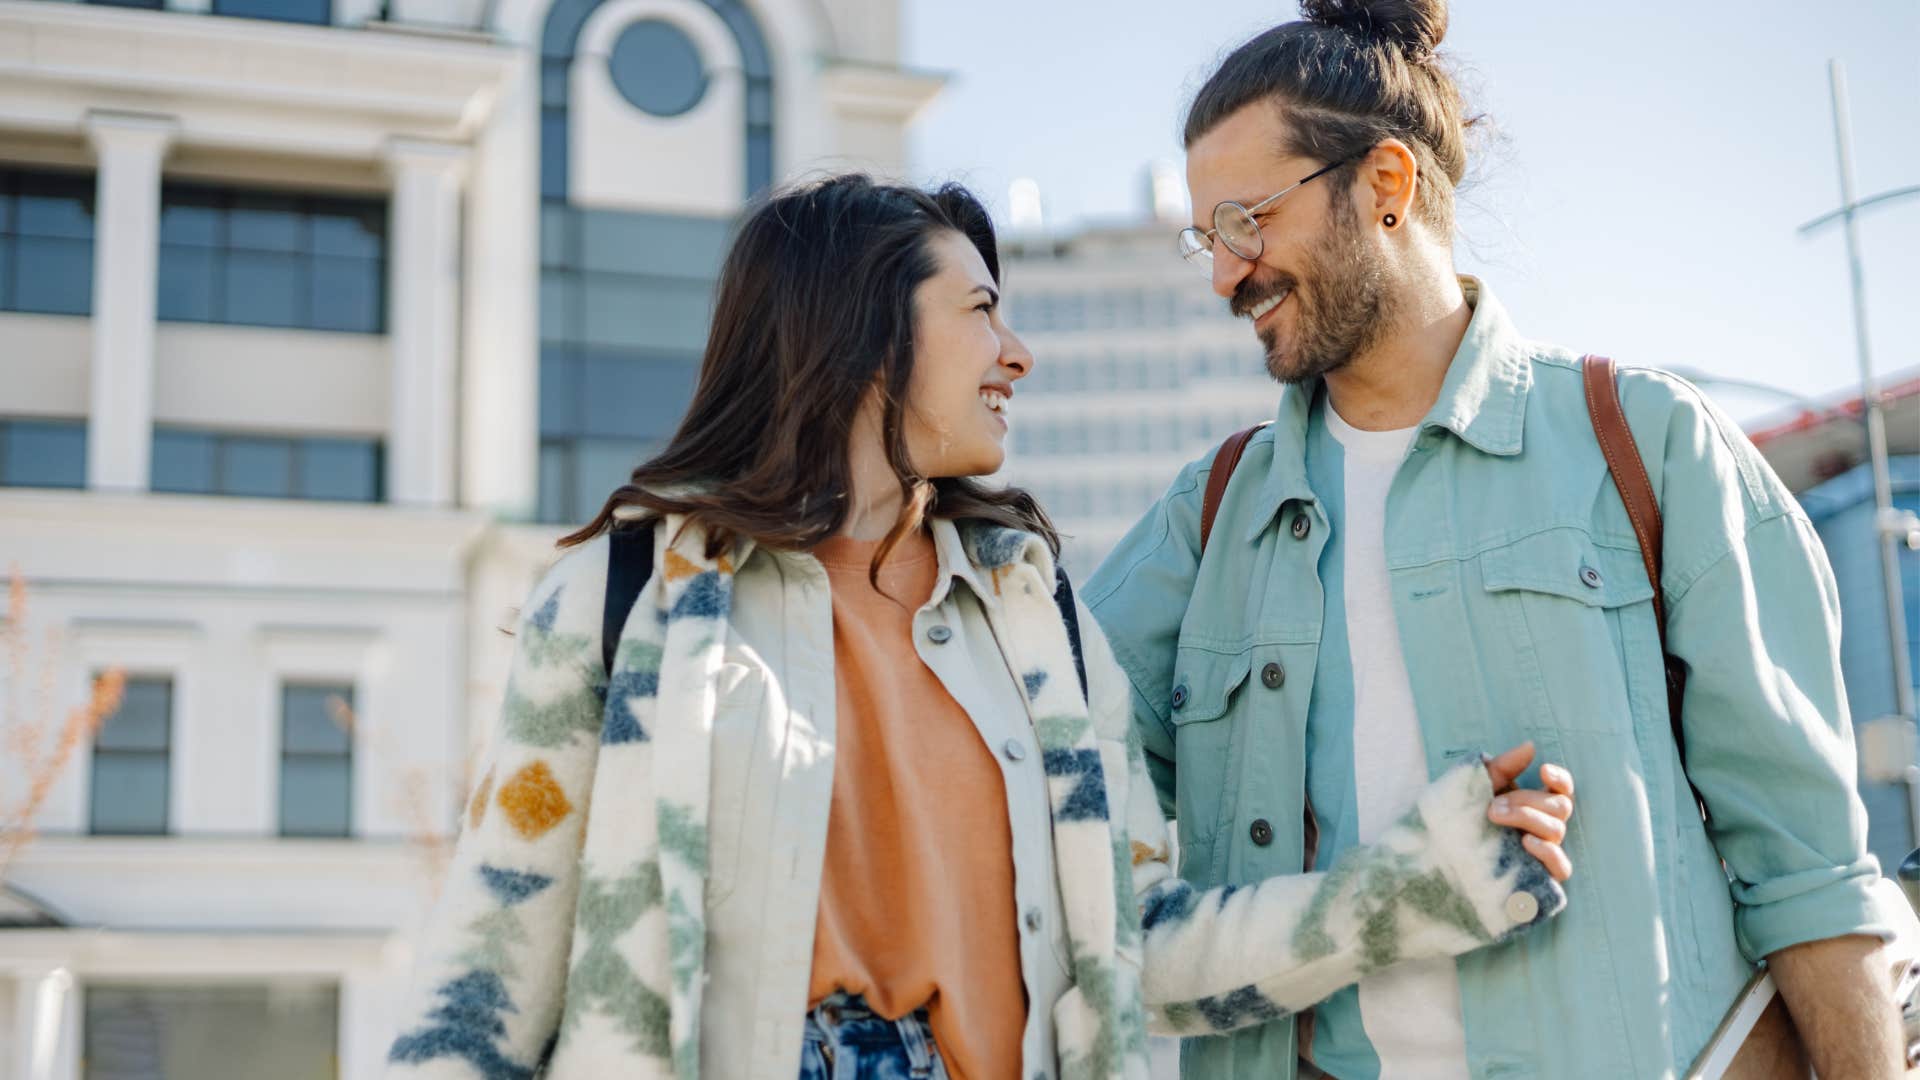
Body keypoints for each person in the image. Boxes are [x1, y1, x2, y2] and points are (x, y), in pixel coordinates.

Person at [382, 174, 1575, 1080]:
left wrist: (1420, 883)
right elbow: (482, 980)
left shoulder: (1035, 618)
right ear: (860, 333)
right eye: (982, 310)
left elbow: (1144, 944)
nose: (1019, 353)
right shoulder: (629, 596)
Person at [1083, 1, 1901, 1077]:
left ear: (1385, 185)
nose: (1229, 272)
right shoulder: (1204, 522)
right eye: (1210, 240)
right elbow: (1044, 815)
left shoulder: (1651, 448)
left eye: (1248, 221)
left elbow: (1809, 873)